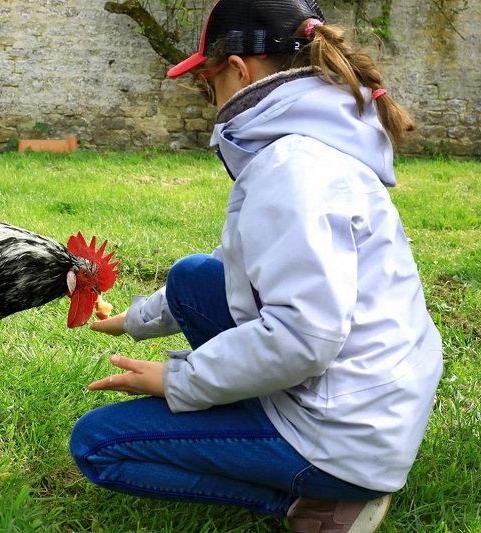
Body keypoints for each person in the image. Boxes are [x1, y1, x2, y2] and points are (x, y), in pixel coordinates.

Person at [68, 0, 443, 531]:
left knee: (99, 445)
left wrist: (179, 379)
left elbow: (305, 336)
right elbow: (235, 265)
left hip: (343, 437)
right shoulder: (311, 145)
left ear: (239, 71)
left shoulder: (292, 168)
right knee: (194, 277)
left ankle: (324, 502)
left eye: (207, 83)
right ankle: (298, 453)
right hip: (371, 400)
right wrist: (134, 320)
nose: (209, 99)